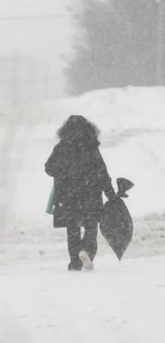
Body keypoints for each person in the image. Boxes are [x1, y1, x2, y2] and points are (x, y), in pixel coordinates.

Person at [45, 115, 116, 271]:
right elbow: (102, 172)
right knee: (91, 228)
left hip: (69, 196)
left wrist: (63, 173)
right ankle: (87, 251)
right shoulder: (91, 147)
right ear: (88, 128)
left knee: (73, 230)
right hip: (91, 194)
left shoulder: (62, 147)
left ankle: (74, 262)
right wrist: (110, 194)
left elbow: (49, 168)